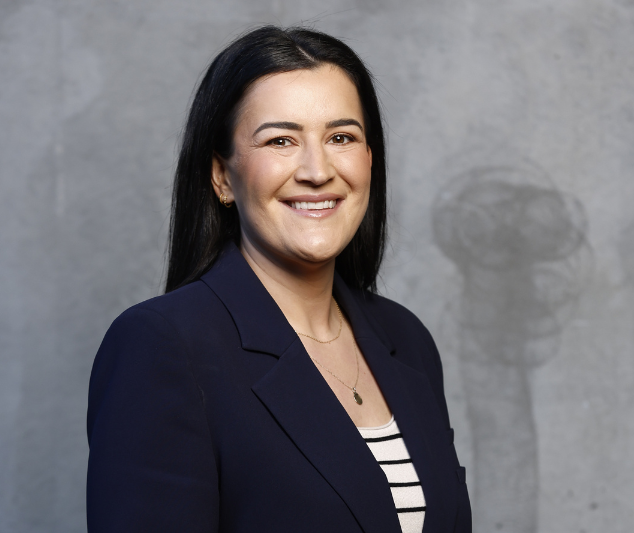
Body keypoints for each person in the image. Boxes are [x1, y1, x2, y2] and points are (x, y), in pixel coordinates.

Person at [86, 25, 471, 533]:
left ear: (369, 161)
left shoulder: (406, 341)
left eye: (341, 137)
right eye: (282, 140)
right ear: (222, 176)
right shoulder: (163, 347)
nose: (317, 170)